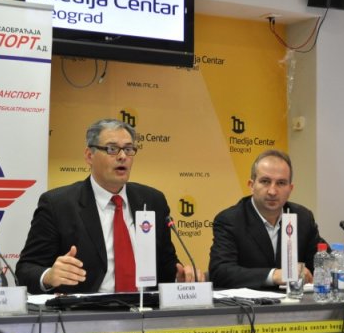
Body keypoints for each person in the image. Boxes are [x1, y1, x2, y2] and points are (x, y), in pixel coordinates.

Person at [16, 118, 203, 294]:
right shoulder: (58, 205)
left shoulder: (153, 201)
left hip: (146, 308)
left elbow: (165, 263)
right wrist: (48, 276)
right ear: (89, 156)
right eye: (112, 149)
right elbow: (26, 269)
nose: (122, 156)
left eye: (128, 149)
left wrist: (179, 276)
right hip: (87, 312)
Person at [208, 149, 324, 290]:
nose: (272, 191)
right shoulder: (230, 220)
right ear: (251, 185)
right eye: (265, 181)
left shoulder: (302, 218)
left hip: (294, 301)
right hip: (251, 303)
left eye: (281, 183)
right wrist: (274, 275)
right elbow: (220, 272)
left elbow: (323, 261)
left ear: (290, 189)